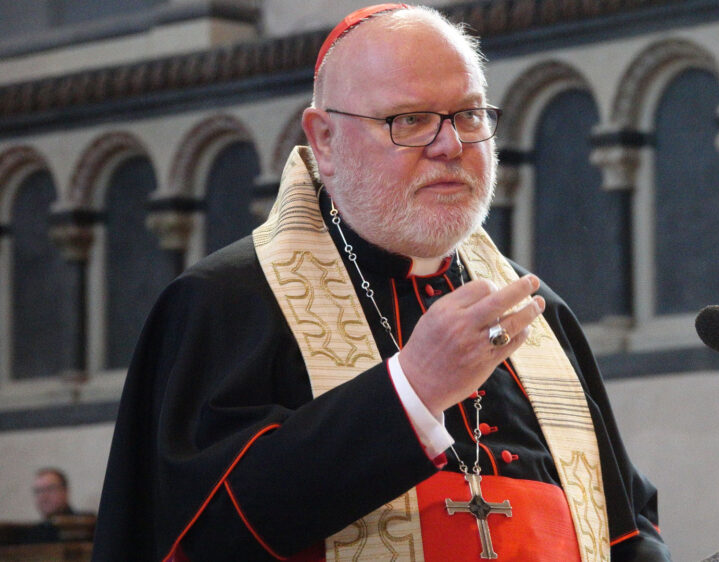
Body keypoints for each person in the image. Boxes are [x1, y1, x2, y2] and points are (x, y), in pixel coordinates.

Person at [92, 4, 671, 561]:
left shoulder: (535, 311)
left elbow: (622, 525)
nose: (451, 146)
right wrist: (411, 392)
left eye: (469, 115)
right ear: (325, 140)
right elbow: (202, 531)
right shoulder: (225, 303)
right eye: (410, 120)